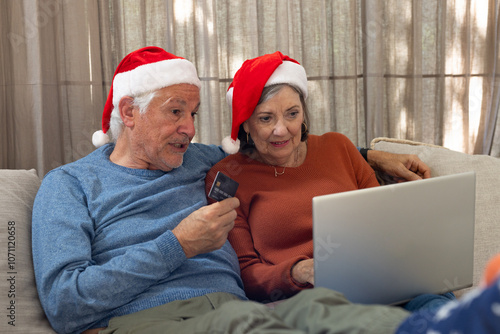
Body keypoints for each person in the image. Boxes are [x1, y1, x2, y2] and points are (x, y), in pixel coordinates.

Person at [31, 46, 438, 334]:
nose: (189, 128)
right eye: (176, 111)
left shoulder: (202, 160)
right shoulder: (69, 186)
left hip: (239, 311)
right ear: (129, 112)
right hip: (154, 320)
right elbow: (65, 304)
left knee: (322, 306)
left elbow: (278, 145)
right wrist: (178, 244)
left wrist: (374, 155)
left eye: (193, 114)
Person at [205, 52, 452, 308]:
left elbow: (384, 228)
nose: (282, 129)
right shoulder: (228, 177)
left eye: (292, 114)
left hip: (379, 281)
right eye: (266, 118)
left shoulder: (338, 147)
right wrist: (298, 272)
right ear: (245, 124)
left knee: (441, 307)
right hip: (312, 302)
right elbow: (245, 274)